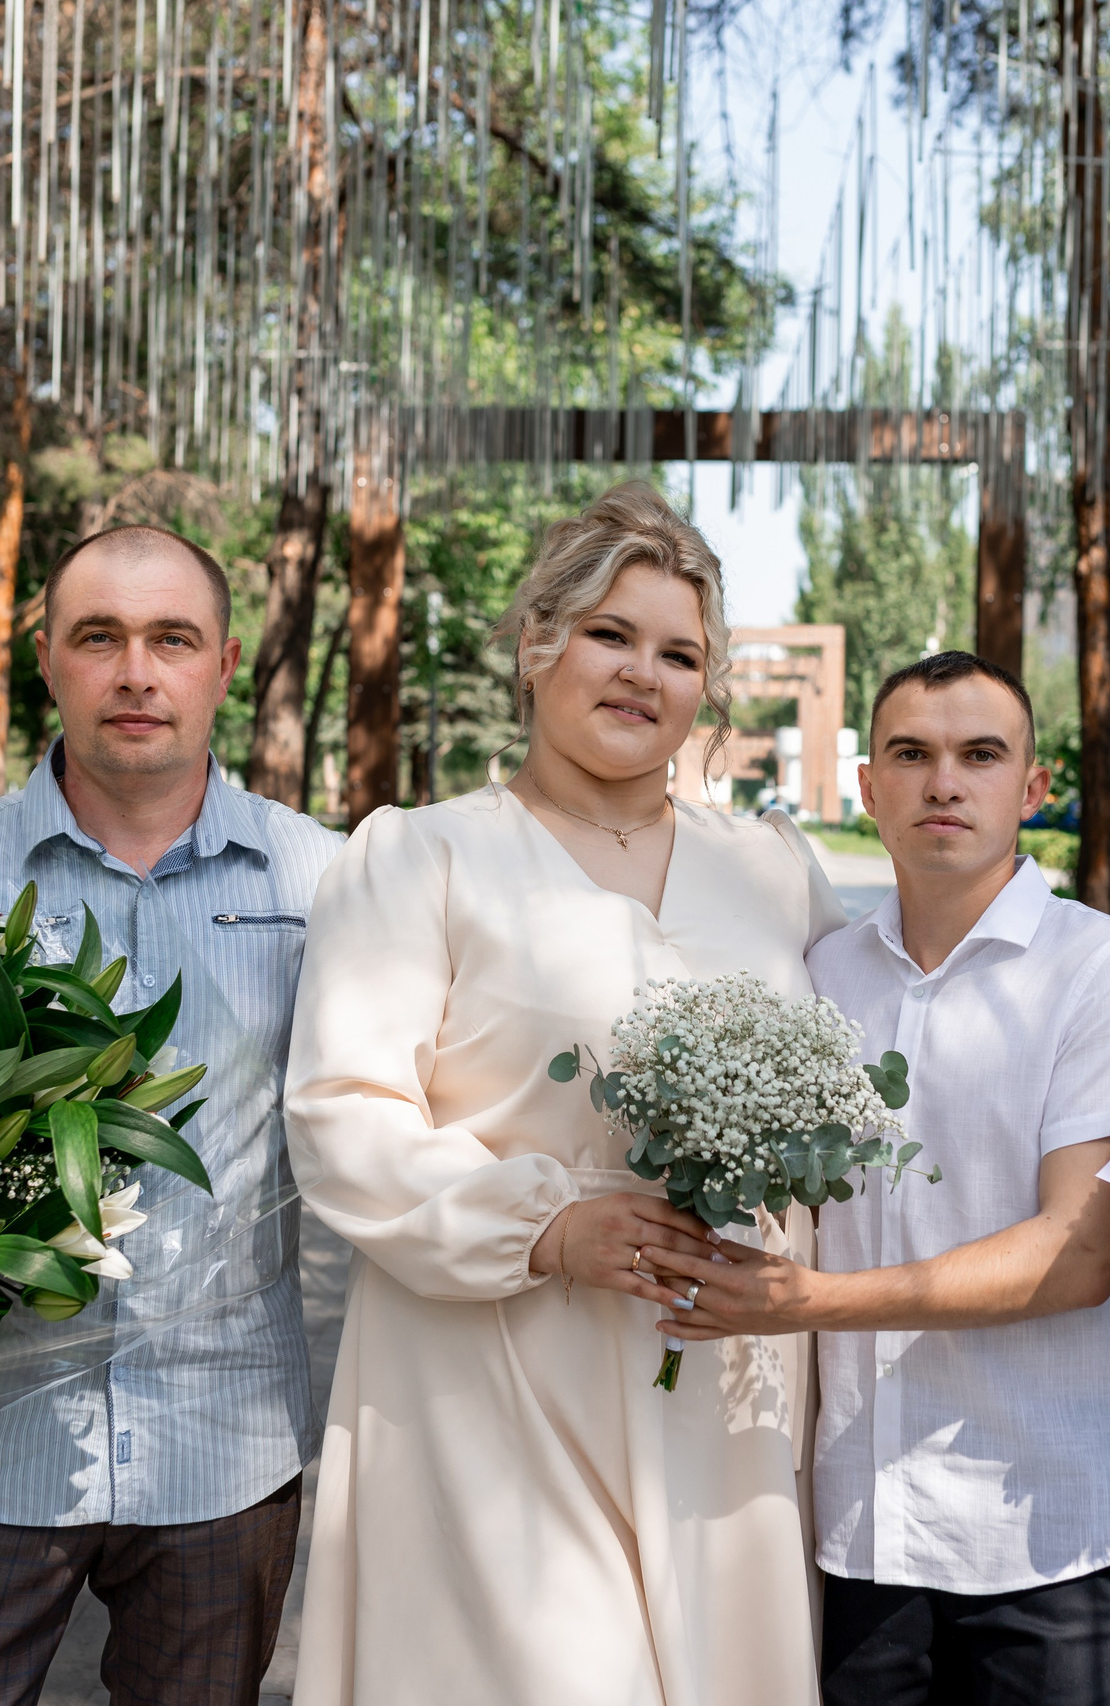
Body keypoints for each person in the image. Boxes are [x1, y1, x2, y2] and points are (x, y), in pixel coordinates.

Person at [282, 482, 844, 1706]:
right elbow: (342, 1112)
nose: (643, 672)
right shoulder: (421, 853)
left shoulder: (774, 869)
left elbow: (869, 1067)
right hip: (493, 1367)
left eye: (678, 653)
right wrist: (544, 1225)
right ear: (537, 641)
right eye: (609, 633)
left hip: (722, 1379)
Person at [647, 651, 1110, 1706]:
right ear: (868, 787)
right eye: (911, 754)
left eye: (980, 755)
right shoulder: (820, 974)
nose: (944, 782)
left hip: (1052, 1525)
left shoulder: (1109, 969)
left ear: (1032, 787)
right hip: (862, 1525)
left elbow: (1077, 1256)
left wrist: (806, 1304)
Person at [0, 526, 341, 1706]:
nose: (136, 672)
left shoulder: (323, 880)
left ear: (225, 663)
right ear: (45, 659)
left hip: (222, 1447)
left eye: (171, 639)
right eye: (98, 637)